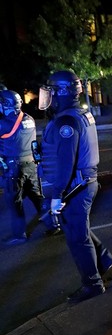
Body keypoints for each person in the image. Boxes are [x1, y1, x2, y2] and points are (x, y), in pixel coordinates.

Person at [38, 70, 112, 302]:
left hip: (75, 187)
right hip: (83, 184)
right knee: (78, 229)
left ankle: (93, 284)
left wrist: (57, 194)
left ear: (62, 92)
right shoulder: (79, 114)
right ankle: (103, 259)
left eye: (51, 91)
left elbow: (66, 162)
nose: (47, 96)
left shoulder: (67, 121)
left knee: (76, 237)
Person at [0, 90, 59, 244]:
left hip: (14, 168)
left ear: (6, 104)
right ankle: (53, 225)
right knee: (37, 197)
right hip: (31, 165)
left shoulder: (3, 123)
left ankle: (19, 235)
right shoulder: (29, 119)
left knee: (14, 201)